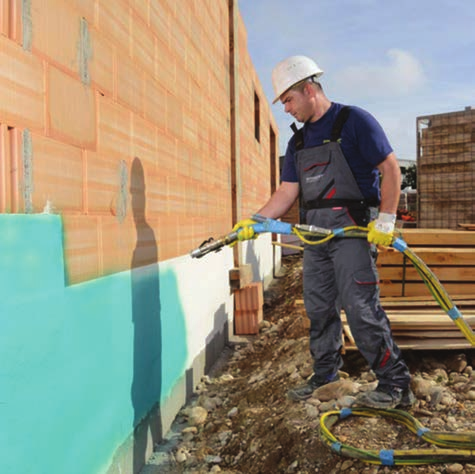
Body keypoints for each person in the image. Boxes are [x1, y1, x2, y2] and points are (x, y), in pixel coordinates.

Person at [233, 55, 414, 409]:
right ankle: (326, 374)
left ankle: (395, 385)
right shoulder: (297, 144)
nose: (285, 109)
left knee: (360, 308)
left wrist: (386, 220)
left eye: (288, 100)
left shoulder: (354, 121)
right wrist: (254, 221)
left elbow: (390, 167)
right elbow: (287, 192)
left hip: (352, 232)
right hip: (315, 237)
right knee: (318, 309)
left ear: (309, 89)